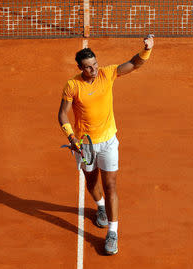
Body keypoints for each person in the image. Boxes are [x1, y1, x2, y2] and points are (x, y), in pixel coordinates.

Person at [57, 35, 154, 255]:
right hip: (85, 145)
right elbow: (62, 115)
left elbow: (134, 63)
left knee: (111, 185)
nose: (93, 69)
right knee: (92, 184)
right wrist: (72, 139)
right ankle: (100, 207)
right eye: (88, 67)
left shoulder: (107, 73)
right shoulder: (72, 85)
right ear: (80, 68)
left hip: (109, 141)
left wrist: (146, 49)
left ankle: (112, 232)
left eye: (95, 64)